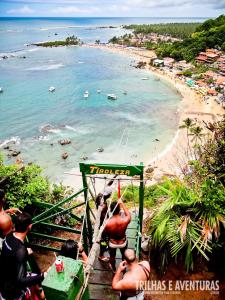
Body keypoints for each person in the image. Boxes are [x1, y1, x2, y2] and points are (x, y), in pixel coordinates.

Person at [0, 212, 46, 300]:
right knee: (36, 277)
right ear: (30, 226)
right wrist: (43, 276)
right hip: (13, 293)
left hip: (4, 283)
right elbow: (20, 281)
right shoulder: (20, 250)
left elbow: (11, 252)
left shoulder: (9, 236)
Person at [101, 198, 131, 271]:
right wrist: (121, 203)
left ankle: (114, 270)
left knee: (112, 256)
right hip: (122, 242)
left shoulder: (108, 223)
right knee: (124, 256)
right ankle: (123, 268)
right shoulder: (125, 220)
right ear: (119, 210)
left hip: (112, 243)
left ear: (111, 210)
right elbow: (129, 214)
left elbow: (104, 234)